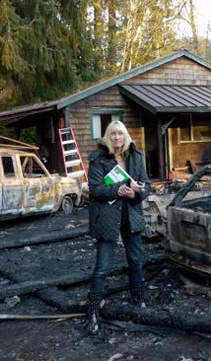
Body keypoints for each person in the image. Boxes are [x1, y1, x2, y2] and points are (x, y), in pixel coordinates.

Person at [86, 120, 150, 335]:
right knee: (102, 266)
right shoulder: (98, 158)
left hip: (131, 215)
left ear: (125, 136)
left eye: (120, 133)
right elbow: (95, 189)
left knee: (136, 261)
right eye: (112, 134)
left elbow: (146, 186)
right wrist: (119, 190)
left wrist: (136, 193)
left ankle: (139, 301)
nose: (116, 137)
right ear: (107, 136)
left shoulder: (136, 156)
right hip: (107, 217)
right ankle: (93, 312)